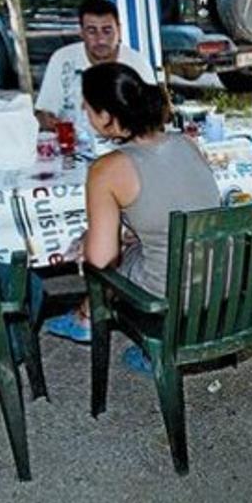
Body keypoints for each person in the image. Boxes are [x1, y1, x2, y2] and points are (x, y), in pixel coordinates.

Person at [42, 64, 220, 350]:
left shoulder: (107, 169)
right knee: (132, 246)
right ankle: (84, 316)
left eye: (87, 108)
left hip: (174, 295)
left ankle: (93, 321)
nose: (85, 115)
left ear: (106, 116)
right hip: (227, 279)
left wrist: (88, 240)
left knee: (108, 256)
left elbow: (101, 261)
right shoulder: (186, 142)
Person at [34, 0, 157, 142]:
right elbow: (42, 113)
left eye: (107, 31)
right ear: (81, 32)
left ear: (120, 31)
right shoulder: (62, 59)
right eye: (92, 31)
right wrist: (46, 120)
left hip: (124, 147)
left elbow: (152, 119)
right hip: (73, 147)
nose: (100, 40)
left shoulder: (137, 63)